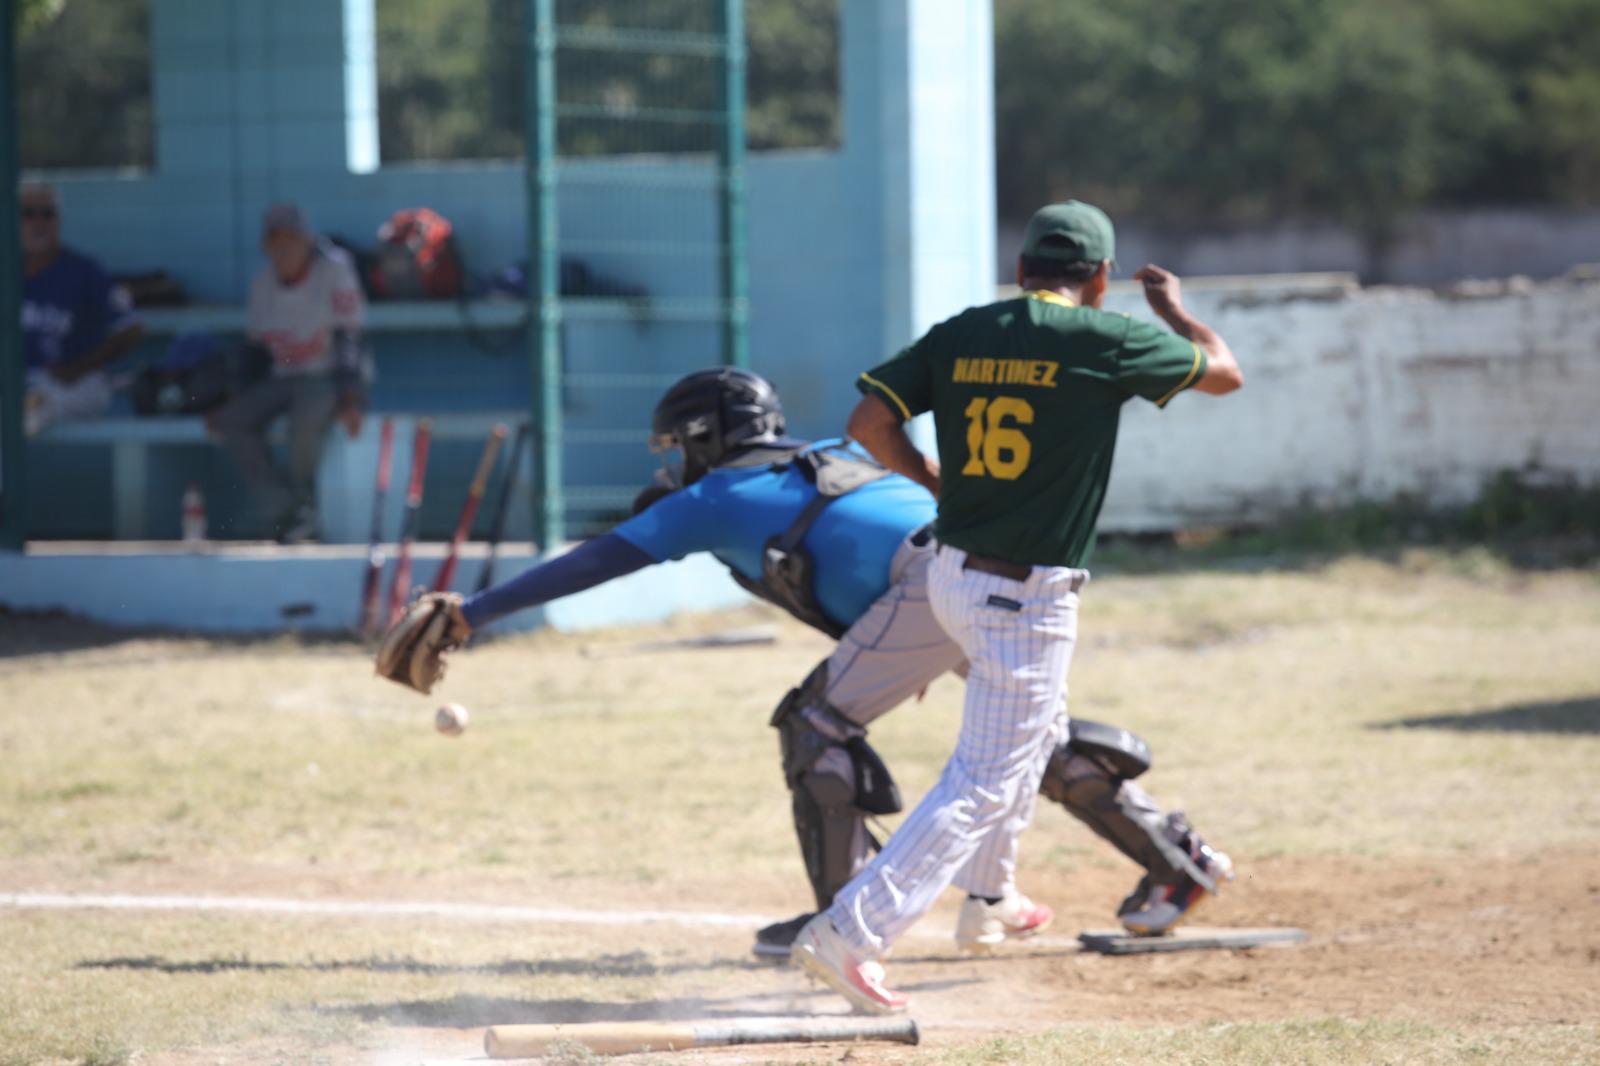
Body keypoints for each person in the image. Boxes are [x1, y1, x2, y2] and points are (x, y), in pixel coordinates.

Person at [375, 366, 1232, 961]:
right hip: (983, 569)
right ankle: (1177, 862)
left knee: (816, 725)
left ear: (706, 437)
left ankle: (842, 918)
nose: (673, 463)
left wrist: (474, 612)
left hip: (929, 585)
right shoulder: (821, 455)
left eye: (678, 445)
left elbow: (597, 560)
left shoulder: (712, 498)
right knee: (1029, 745)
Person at [792, 201, 1244, 1014]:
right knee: (984, 779)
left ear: (1026, 268)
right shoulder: (1108, 339)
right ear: (1101, 278)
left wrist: (932, 481)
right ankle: (850, 933)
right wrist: (1177, 313)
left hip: (952, 574)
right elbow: (1224, 373)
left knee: (1027, 743)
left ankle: (990, 898)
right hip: (1025, 595)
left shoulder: (967, 329)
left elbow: (867, 422)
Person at [213, 203, 369, 543]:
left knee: (305, 423)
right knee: (231, 420)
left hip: (329, 376)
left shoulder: (334, 270)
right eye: (276, 240)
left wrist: (351, 398)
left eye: (292, 239)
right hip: (283, 378)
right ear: (265, 245)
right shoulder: (262, 284)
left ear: (307, 241)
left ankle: (304, 510)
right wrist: (229, 400)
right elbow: (254, 354)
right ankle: (285, 512)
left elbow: (350, 338)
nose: (284, 248)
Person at [19, 183, 145, 436]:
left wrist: (78, 368)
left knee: (22, 411)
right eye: (28, 214)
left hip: (74, 383)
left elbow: (133, 328)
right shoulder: (8, 271)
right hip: (21, 383)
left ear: (59, 220)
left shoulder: (82, 271)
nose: (39, 222)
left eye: (48, 214)